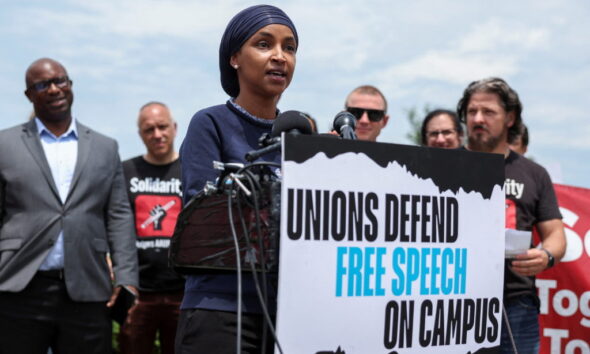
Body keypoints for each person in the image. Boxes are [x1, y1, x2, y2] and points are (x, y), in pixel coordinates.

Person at [175, 5, 298, 354]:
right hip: (219, 308)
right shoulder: (209, 124)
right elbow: (204, 214)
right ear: (234, 58)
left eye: (289, 48)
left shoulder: (300, 138)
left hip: (288, 315)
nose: (279, 56)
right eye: (264, 44)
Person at [0, 58, 138, 353]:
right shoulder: (5, 144)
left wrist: (126, 276)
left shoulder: (105, 147)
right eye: (42, 84)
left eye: (60, 80)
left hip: (87, 286)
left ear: (70, 85)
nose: (54, 89)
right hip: (19, 285)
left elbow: (118, 214)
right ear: (28, 94)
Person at [457, 77, 566, 354]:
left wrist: (546, 256)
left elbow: (555, 235)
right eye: (471, 112)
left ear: (510, 118)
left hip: (516, 304)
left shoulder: (533, 174)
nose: (478, 119)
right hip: (454, 303)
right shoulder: (444, 164)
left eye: (488, 112)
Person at [120, 102, 184, 354]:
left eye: (162, 127)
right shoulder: (125, 171)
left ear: (174, 128)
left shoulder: (190, 169)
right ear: (140, 135)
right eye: (149, 130)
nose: (157, 134)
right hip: (138, 293)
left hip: (183, 291)